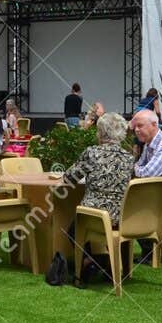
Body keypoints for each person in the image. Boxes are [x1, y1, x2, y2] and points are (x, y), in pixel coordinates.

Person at [64, 112, 139, 286]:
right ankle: (108, 265)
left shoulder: (92, 153)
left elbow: (70, 178)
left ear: (100, 133)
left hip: (94, 215)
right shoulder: (128, 158)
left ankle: (88, 264)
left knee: (73, 230)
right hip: (122, 216)